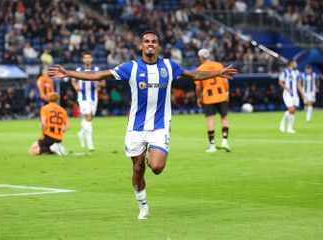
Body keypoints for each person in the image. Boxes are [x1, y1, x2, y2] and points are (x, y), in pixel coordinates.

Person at [48, 30, 238, 219]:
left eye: (154, 41)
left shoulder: (168, 66)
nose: (150, 44)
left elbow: (195, 75)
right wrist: (68, 73)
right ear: (141, 45)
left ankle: (153, 156)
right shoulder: (130, 67)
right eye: (146, 41)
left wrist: (218, 73)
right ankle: (143, 207)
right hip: (136, 128)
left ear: (158, 45)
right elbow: (99, 75)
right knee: (138, 169)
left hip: (160, 126)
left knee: (156, 167)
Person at [195, 49, 231, 153]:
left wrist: (198, 98)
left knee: (210, 120)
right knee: (224, 118)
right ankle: (225, 141)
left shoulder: (200, 68)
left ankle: (212, 145)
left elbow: (198, 87)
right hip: (221, 95)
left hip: (209, 96)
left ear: (201, 57)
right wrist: (227, 93)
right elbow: (225, 80)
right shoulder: (219, 65)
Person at [71, 52, 106, 151]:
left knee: (89, 119)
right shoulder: (79, 70)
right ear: (83, 60)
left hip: (94, 98)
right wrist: (76, 86)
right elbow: (73, 80)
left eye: (89, 57)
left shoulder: (97, 70)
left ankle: (81, 133)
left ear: (91, 59)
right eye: (85, 58)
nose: (87, 59)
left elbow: (103, 84)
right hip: (83, 98)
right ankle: (90, 144)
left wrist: (98, 84)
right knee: (87, 116)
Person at [279, 59, 305, 133]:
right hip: (287, 94)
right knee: (291, 109)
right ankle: (282, 122)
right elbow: (280, 82)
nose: (296, 64)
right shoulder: (285, 72)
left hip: (295, 94)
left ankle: (290, 128)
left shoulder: (297, 72)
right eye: (295, 62)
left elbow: (299, 84)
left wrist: (302, 94)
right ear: (291, 63)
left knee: (293, 111)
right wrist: (287, 89)